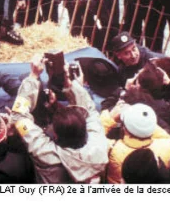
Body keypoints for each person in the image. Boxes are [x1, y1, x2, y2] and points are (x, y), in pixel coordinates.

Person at [10, 55, 108, 183]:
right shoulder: (98, 145)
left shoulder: (45, 154)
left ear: (54, 136)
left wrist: (33, 77)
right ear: (85, 130)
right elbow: (89, 109)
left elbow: (18, 116)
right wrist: (69, 83)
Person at [101, 102, 170, 184]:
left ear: (124, 129)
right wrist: (143, 121)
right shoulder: (169, 146)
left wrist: (109, 117)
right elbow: (162, 135)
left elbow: (92, 141)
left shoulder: (113, 150)